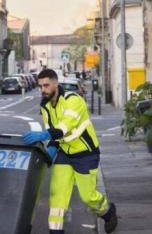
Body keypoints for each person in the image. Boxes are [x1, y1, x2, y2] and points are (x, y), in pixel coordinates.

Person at [21, 68, 117, 234]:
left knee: (88, 197)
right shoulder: (45, 106)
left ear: (56, 84)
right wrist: (50, 151)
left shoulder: (73, 100)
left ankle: (107, 211)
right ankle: (56, 231)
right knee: (57, 196)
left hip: (85, 153)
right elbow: (54, 134)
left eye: (46, 85)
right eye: (40, 86)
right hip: (65, 154)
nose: (43, 90)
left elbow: (64, 127)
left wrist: (44, 135)